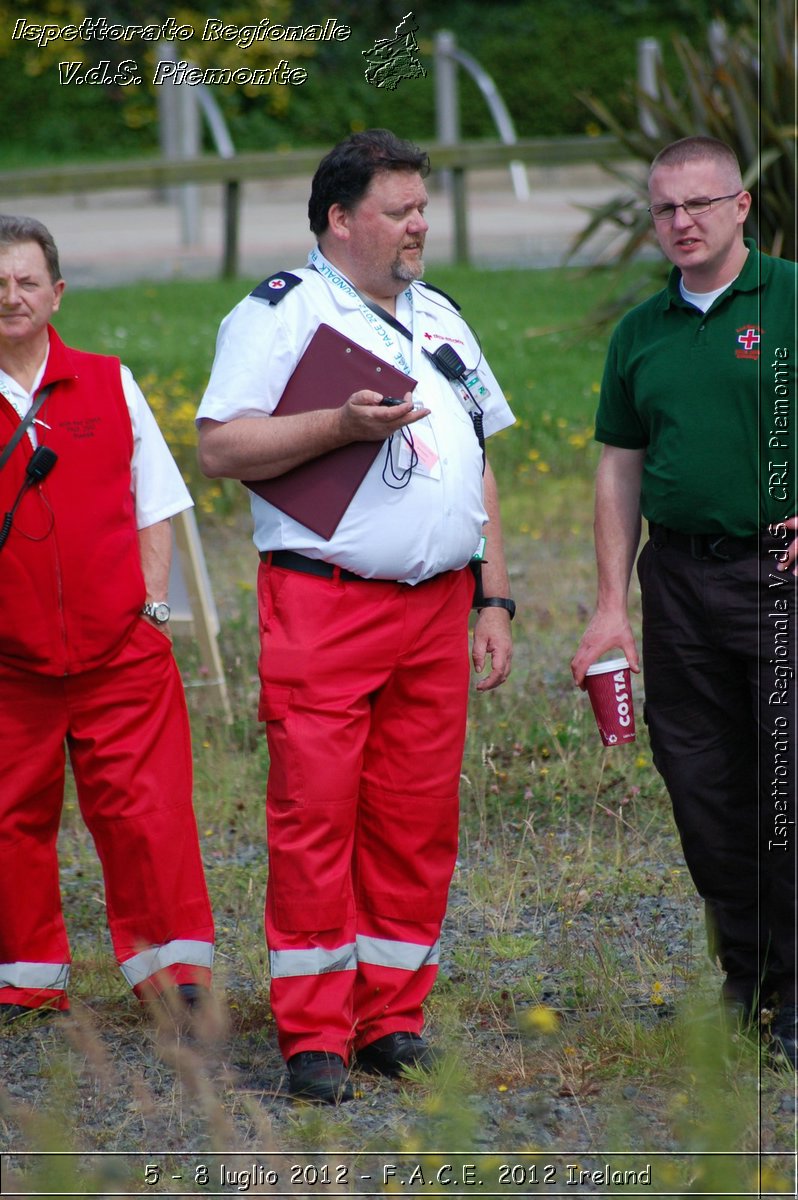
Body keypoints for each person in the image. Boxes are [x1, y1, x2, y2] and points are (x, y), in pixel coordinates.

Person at [197, 129, 515, 1103]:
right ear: (340, 220)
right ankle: (314, 1035)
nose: (419, 223)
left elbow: (481, 463)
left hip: (434, 611)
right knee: (316, 816)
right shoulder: (279, 313)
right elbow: (221, 447)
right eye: (400, 209)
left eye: (422, 206)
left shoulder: (441, 316)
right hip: (325, 605)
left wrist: (492, 594)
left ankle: (391, 1018)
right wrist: (338, 426)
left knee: (417, 821)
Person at [571, 137, 796, 1065]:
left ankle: (795, 990)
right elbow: (619, 467)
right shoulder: (641, 330)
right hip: (678, 581)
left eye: (700, 205)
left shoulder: (788, 299)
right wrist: (609, 603)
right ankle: (746, 980)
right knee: (702, 785)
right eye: (665, 209)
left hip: (776, 576)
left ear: (742, 206)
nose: (682, 223)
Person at [0, 216, 215, 1024]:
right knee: (8, 820)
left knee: (148, 813)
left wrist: (153, 614)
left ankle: (175, 977)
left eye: (26, 281)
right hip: (9, 665)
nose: (10, 297)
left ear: (57, 293)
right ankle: (24, 979)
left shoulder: (108, 380)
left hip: (121, 651)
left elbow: (155, 504)